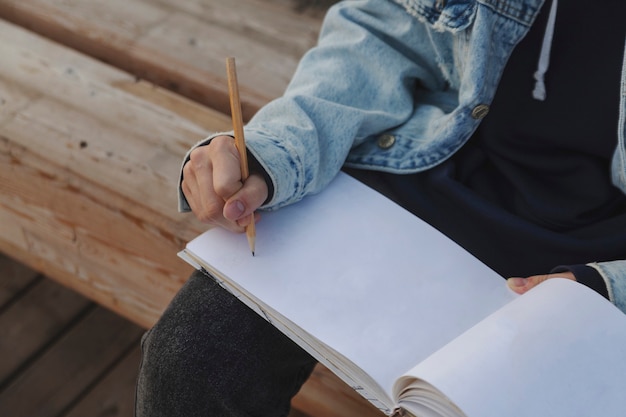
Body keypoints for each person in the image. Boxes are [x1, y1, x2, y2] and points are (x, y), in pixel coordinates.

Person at [135, 0, 626, 416]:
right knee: (192, 359)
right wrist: (275, 153)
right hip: (428, 163)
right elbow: (385, 29)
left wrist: (608, 289)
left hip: (598, 261)